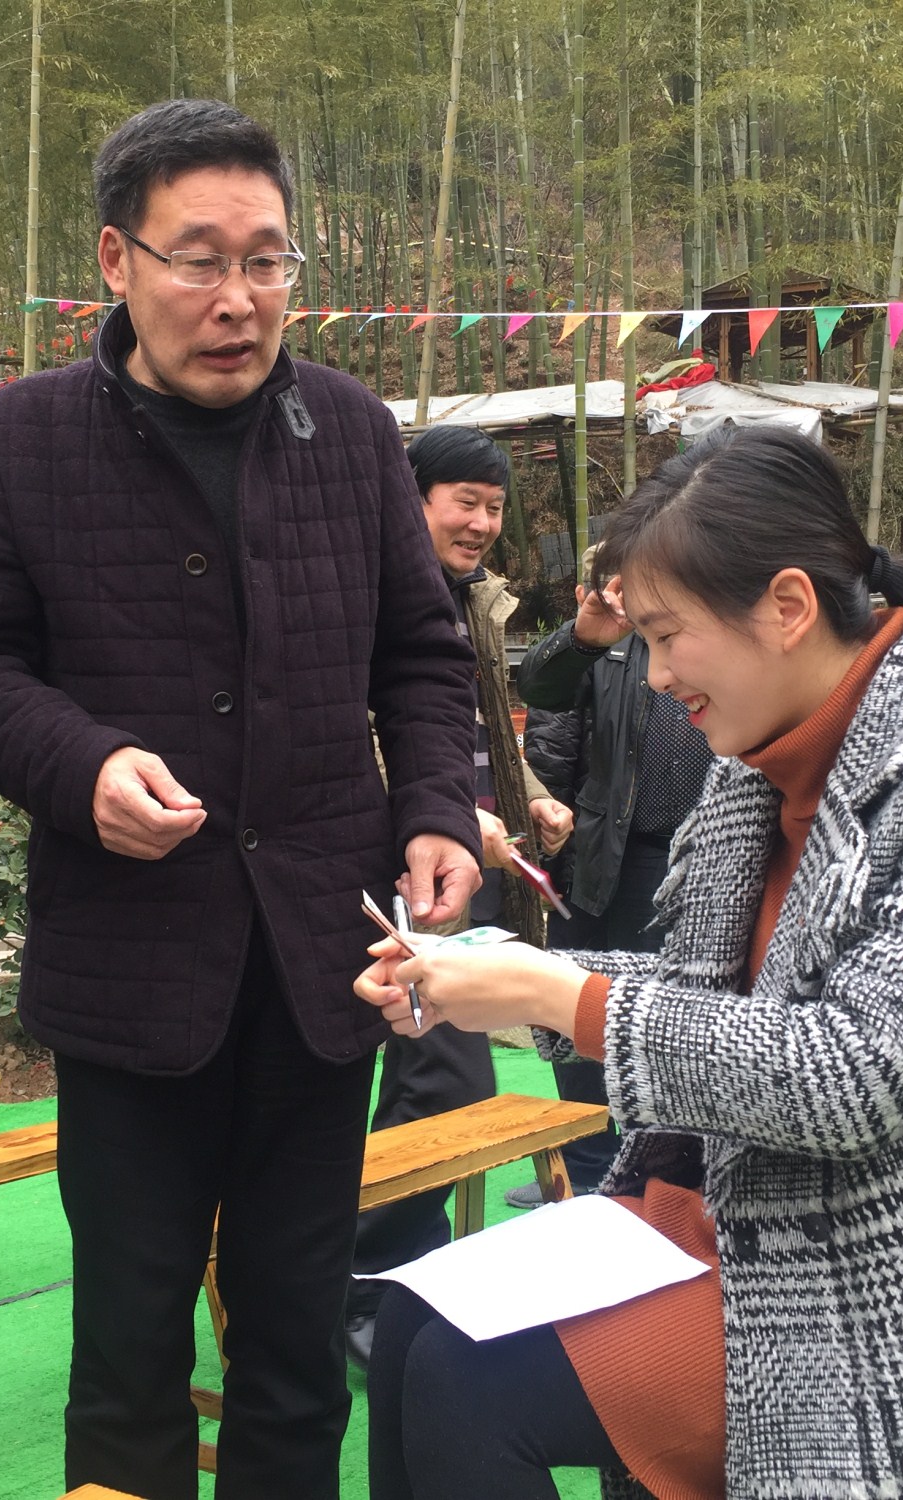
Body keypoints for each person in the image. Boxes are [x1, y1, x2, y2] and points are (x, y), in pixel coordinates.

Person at [355, 426, 903, 1499]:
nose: (653, 676)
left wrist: (564, 994)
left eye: (665, 636)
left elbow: (860, 1073)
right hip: (745, 1211)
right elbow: (713, 999)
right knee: (412, 1323)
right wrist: (498, 984)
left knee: (465, 1382)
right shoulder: (756, 769)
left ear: (785, 607)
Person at [0, 100, 483, 1500]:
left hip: (324, 955)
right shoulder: (23, 437)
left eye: (267, 261)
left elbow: (419, 651)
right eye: (200, 259)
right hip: (131, 959)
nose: (239, 299)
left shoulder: (350, 430)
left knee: (297, 1333)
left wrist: (435, 808)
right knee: (129, 1339)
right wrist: (81, 764)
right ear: (117, 260)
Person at [345, 424, 573, 1367]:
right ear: (413, 501)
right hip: (382, 867)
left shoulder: (471, 596)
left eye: (494, 507)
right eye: (464, 502)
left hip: (447, 868)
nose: (480, 523)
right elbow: (356, 734)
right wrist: (439, 815)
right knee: (440, 1077)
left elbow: (479, 727)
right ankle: (367, 1280)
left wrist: (528, 796)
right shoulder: (366, 588)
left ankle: (394, 1275)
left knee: (439, 1076)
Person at [512, 517, 717, 1206]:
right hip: (596, 852)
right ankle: (583, 1167)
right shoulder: (598, 648)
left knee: (656, 1013)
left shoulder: (701, 643)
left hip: (679, 857)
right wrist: (544, 817)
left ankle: (653, 1176)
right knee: (571, 1001)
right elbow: (543, 710)